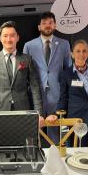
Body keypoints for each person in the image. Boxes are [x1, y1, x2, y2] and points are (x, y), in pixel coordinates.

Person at [0, 21, 44, 127]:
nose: (9, 39)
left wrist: (39, 113)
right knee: (1, 140)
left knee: (23, 140)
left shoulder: (27, 59)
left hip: (23, 109)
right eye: (5, 36)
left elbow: (35, 87)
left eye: (12, 35)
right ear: (0, 38)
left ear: (17, 37)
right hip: (0, 110)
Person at [23, 11, 71, 143]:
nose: (47, 25)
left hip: (57, 94)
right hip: (35, 94)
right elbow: (24, 72)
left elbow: (68, 69)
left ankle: (58, 156)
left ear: (55, 25)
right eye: (44, 23)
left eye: (50, 23)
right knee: (33, 130)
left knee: (57, 131)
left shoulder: (64, 44)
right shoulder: (29, 45)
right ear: (39, 27)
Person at [46, 40, 88, 146]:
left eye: (84, 51)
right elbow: (63, 98)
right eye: (78, 51)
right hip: (76, 120)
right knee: (76, 153)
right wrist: (56, 114)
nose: (81, 54)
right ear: (72, 54)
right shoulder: (66, 74)